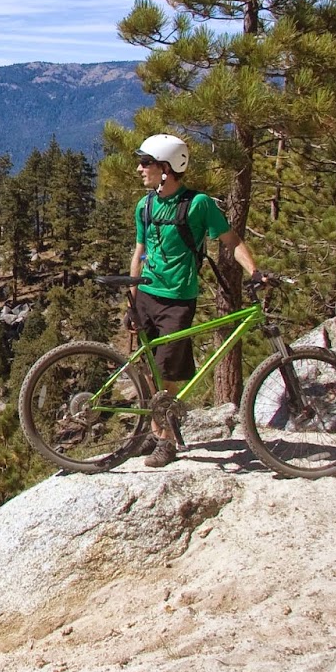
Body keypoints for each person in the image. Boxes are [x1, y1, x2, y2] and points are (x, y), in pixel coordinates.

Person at [128, 133, 261, 468]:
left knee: (167, 372)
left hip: (177, 299)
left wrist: (255, 271)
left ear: (168, 168)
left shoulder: (198, 204)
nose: (140, 168)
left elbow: (231, 239)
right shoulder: (144, 205)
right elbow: (139, 252)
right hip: (146, 294)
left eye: (146, 163)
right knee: (149, 371)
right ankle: (154, 430)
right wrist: (132, 299)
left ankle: (166, 441)